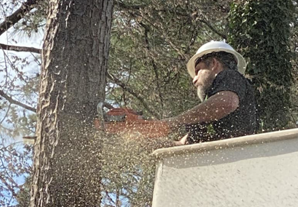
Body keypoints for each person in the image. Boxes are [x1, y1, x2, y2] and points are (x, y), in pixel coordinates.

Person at [103, 41, 257, 143]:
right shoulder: (207, 117)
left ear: (214, 64)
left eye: (197, 71)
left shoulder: (230, 77)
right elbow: (180, 146)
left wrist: (169, 123)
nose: (194, 80)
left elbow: (227, 102)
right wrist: (138, 132)